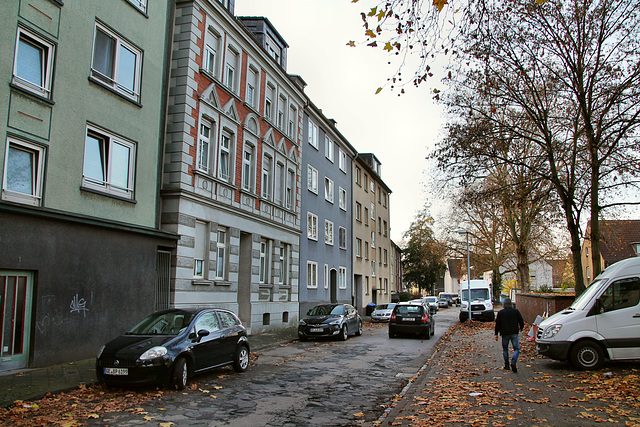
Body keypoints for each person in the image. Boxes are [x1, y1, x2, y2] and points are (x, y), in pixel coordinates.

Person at [494, 298, 524, 373]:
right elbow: (521, 320)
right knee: (516, 349)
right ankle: (513, 360)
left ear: (504, 304)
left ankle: (507, 365)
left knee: (505, 349)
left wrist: (496, 334)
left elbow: (497, 324)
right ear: (511, 304)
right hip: (514, 332)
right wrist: (521, 328)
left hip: (504, 333)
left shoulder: (501, 313)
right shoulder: (516, 311)